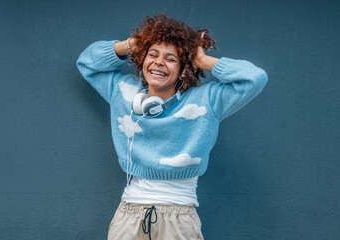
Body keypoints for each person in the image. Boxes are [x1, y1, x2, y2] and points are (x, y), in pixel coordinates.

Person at [76, 13, 267, 239]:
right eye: (152, 54)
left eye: (171, 58)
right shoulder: (122, 92)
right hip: (128, 216)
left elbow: (254, 78)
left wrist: (204, 62)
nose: (158, 61)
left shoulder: (208, 101)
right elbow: (87, 62)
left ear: (183, 68)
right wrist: (133, 44)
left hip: (179, 219)